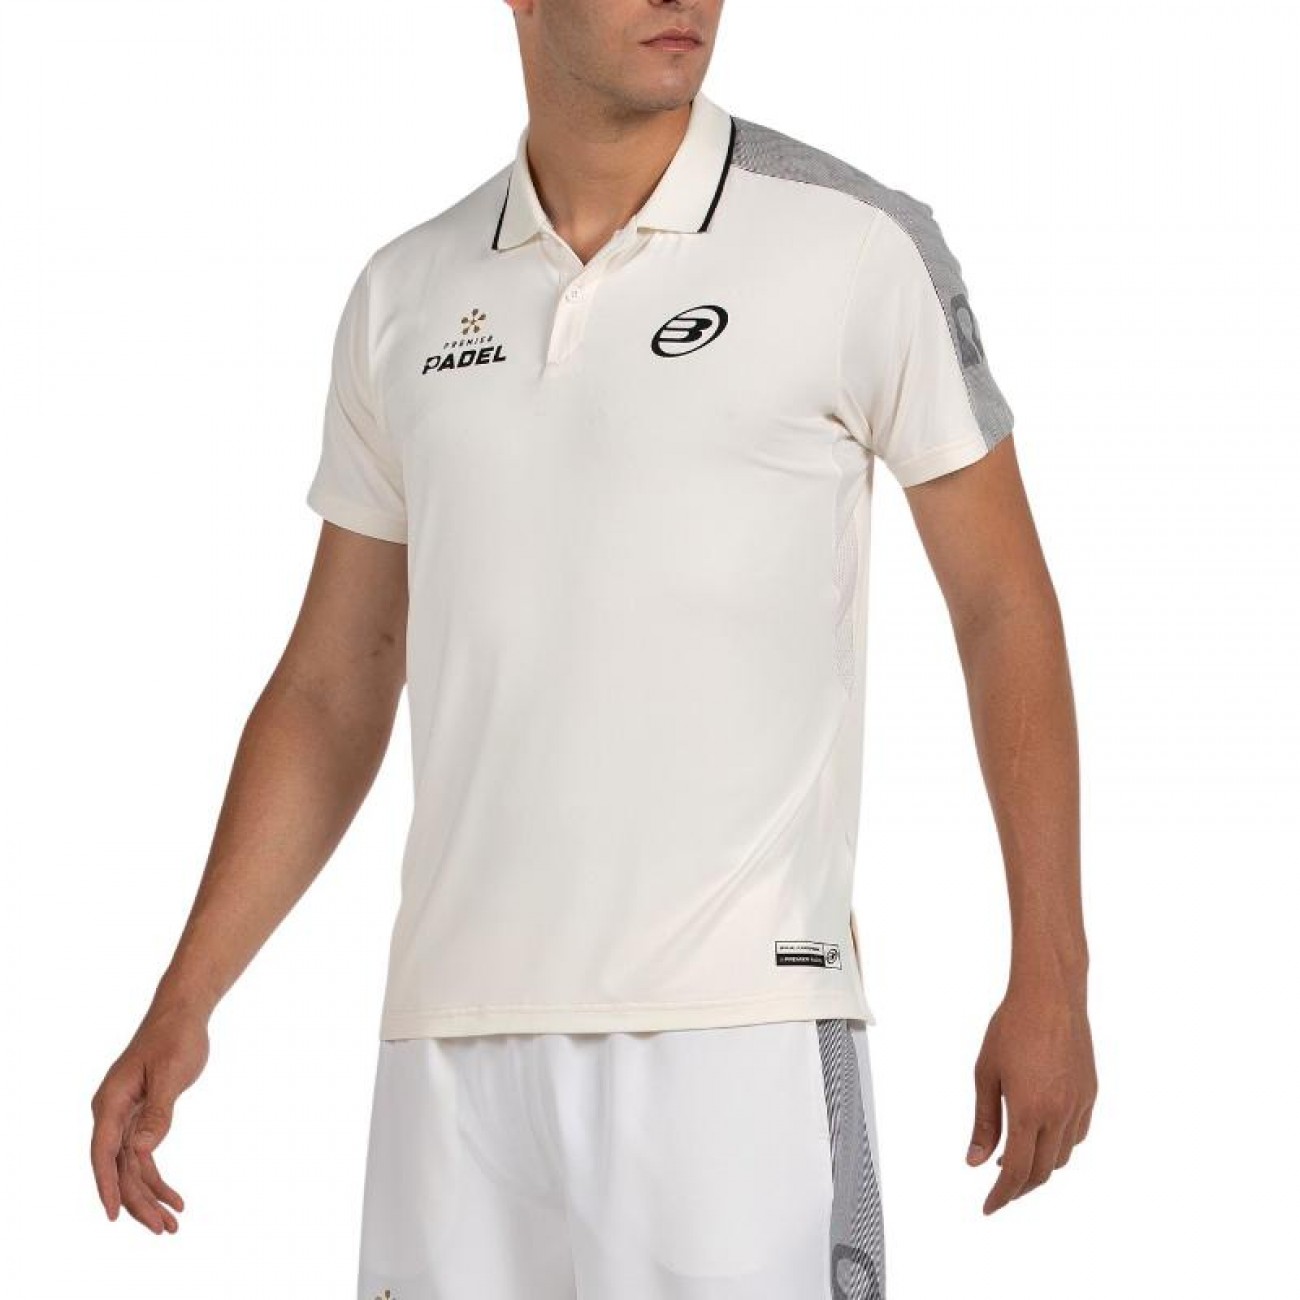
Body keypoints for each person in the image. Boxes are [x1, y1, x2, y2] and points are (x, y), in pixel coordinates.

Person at [89, 2, 1097, 1296]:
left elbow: (1002, 605)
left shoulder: (855, 244)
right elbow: (335, 685)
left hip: (738, 1045)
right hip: (450, 1054)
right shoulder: (407, 291)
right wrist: (187, 994)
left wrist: (1052, 971)